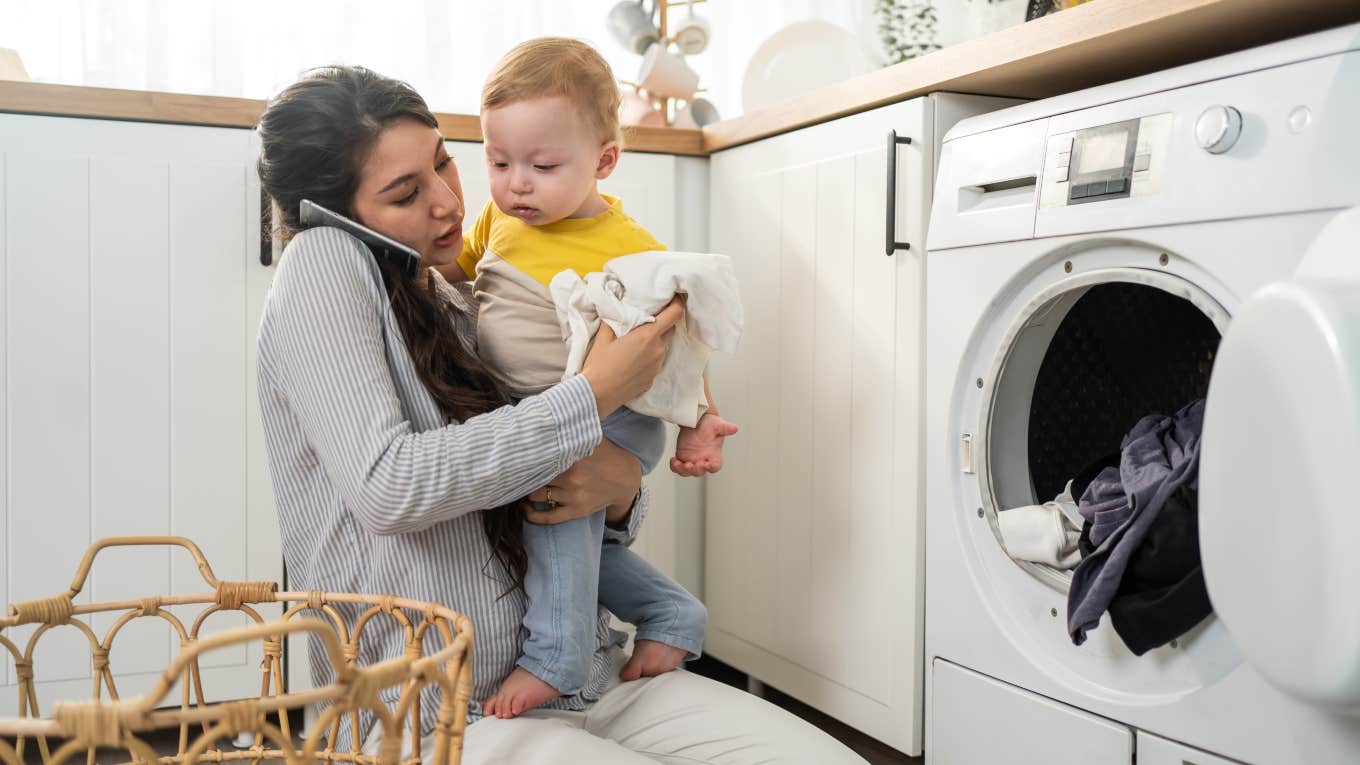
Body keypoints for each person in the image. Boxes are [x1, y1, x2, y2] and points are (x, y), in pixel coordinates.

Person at [255, 64, 867, 764]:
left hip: (584, 676)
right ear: (333, 212)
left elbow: (566, 489)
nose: (448, 202)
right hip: (434, 715)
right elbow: (390, 484)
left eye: (444, 163)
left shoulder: (460, 295)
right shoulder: (323, 260)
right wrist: (592, 395)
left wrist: (621, 489)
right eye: (405, 193)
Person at [460, 37, 737, 718]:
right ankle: (671, 611)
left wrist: (699, 421)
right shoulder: (498, 219)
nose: (516, 181)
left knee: (554, 511)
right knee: (561, 535)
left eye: (542, 164)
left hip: (611, 411)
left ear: (603, 161)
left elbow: (680, 342)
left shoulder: (632, 249)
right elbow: (457, 277)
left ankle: (555, 655)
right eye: (498, 161)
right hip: (545, 407)